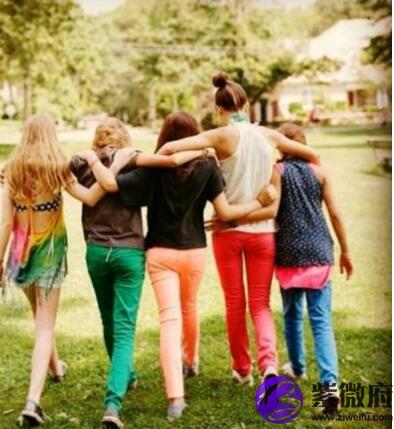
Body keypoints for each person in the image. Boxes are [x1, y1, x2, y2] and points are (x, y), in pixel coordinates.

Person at [82, 111, 278, 420]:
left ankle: (176, 398)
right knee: (189, 307)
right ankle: (191, 361)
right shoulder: (208, 166)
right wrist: (259, 202)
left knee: (169, 320)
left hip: (160, 252)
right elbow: (226, 212)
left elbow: (115, 186)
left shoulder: (153, 167)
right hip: (194, 251)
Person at [157, 73, 321, 385]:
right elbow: (313, 155)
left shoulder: (220, 136)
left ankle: (242, 370)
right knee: (260, 304)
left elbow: (168, 149)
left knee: (235, 304)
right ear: (245, 105)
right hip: (264, 232)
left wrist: (201, 152)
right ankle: (269, 365)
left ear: (219, 109)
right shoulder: (269, 136)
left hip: (228, 231)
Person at [69, 117, 210, 429]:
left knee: (108, 320)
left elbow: (46, 166)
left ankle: (126, 376)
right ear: (124, 138)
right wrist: (204, 150)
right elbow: (171, 160)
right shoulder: (133, 157)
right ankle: (112, 404)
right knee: (124, 329)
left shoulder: (81, 162)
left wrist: (10, 169)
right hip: (129, 253)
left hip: (96, 252)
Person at [0, 115, 125, 426]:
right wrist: (114, 170)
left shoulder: (13, 169)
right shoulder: (58, 169)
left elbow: (6, 222)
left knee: (40, 319)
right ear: (51, 136)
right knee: (44, 325)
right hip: (49, 253)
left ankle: (55, 368)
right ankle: (33, 402)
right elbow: (90, 197)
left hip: (20, 254)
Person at [274, 123, 353, 414]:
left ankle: (297, 367)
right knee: (321, 322)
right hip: (319, 251)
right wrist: (345, 250)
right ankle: (329, 389)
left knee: (292, 315)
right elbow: (335, 214)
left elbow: (272, 210)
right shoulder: (320, 173)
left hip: (288, 253)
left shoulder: (277, 171)